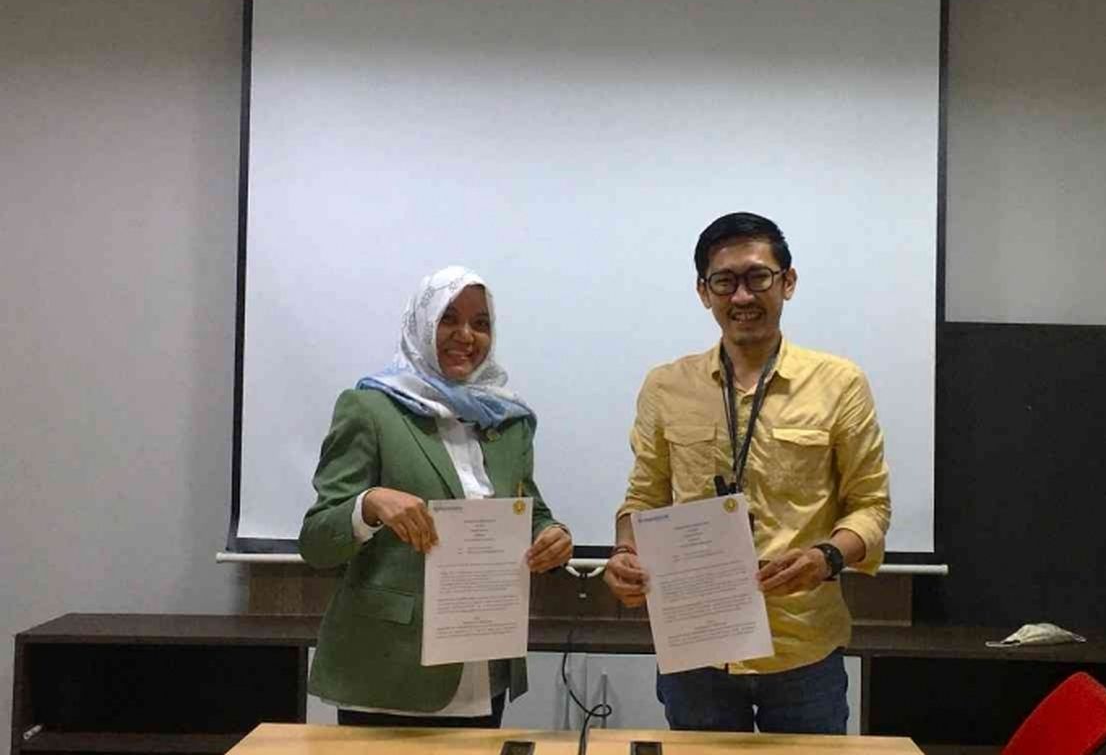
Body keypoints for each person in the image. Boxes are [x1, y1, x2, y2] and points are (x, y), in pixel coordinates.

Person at [603, 212, 891, 734]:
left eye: (759, 277)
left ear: (788, 282)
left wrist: (826, 557)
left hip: (802, 646)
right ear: (703, 291)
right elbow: (643, 499)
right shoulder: (665, 386)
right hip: (697, 645)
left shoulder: (840, 383)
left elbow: (871, 505)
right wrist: (625, 551)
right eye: (724, 281)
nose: (742, 296)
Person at [300, 265, 572, 727]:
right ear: (422, 323)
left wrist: (552, 535)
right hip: (390, 672)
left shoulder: (507, 420)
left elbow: (531, 510)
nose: (466, 335)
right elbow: (317, 542)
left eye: (480, 323)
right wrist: (368, 504)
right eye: (449, 318)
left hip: (483, 666)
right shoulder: (370, 408)